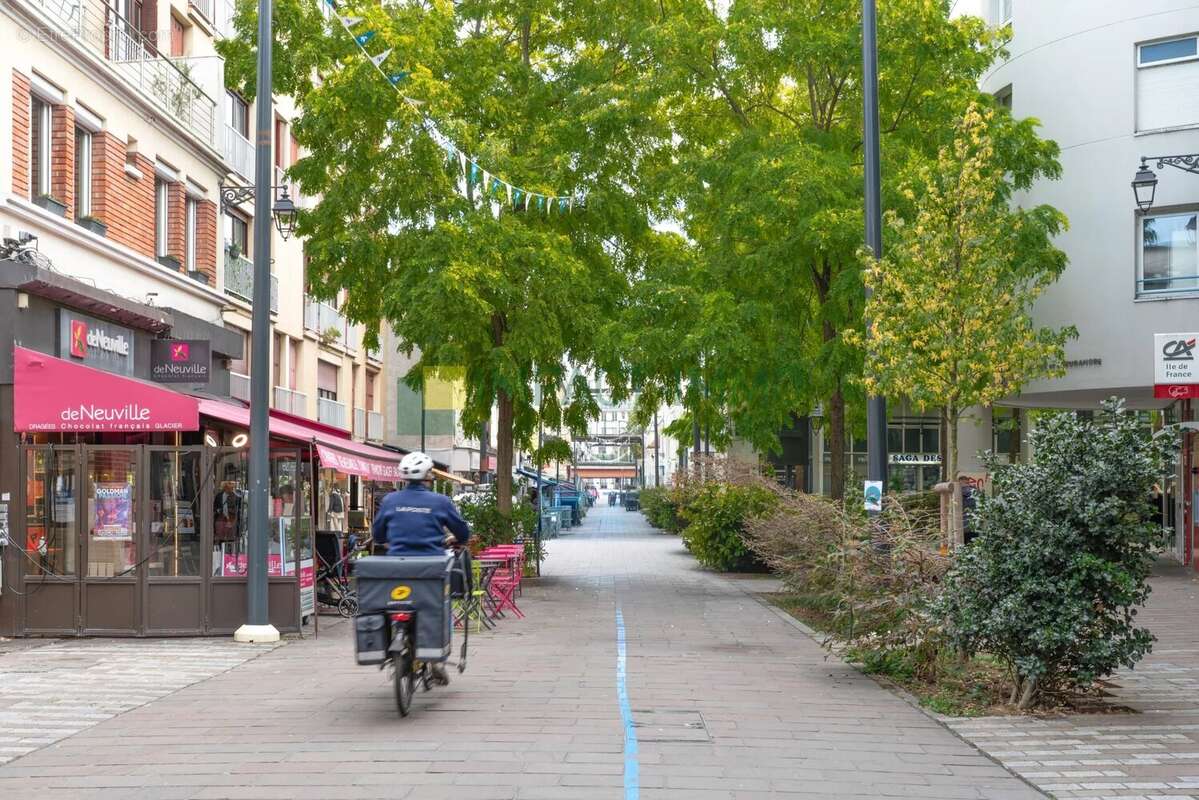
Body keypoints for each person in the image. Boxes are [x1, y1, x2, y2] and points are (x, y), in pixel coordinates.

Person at [371, 452, 471, 685]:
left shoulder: (390, 501)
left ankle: (391, 642)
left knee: (389, 604)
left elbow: (377, 535)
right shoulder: (440, 502)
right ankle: (437, 660)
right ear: (428, 476)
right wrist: (455, 540)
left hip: (396, 568)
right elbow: (463, 534)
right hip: (431, 568)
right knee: (441, 607)